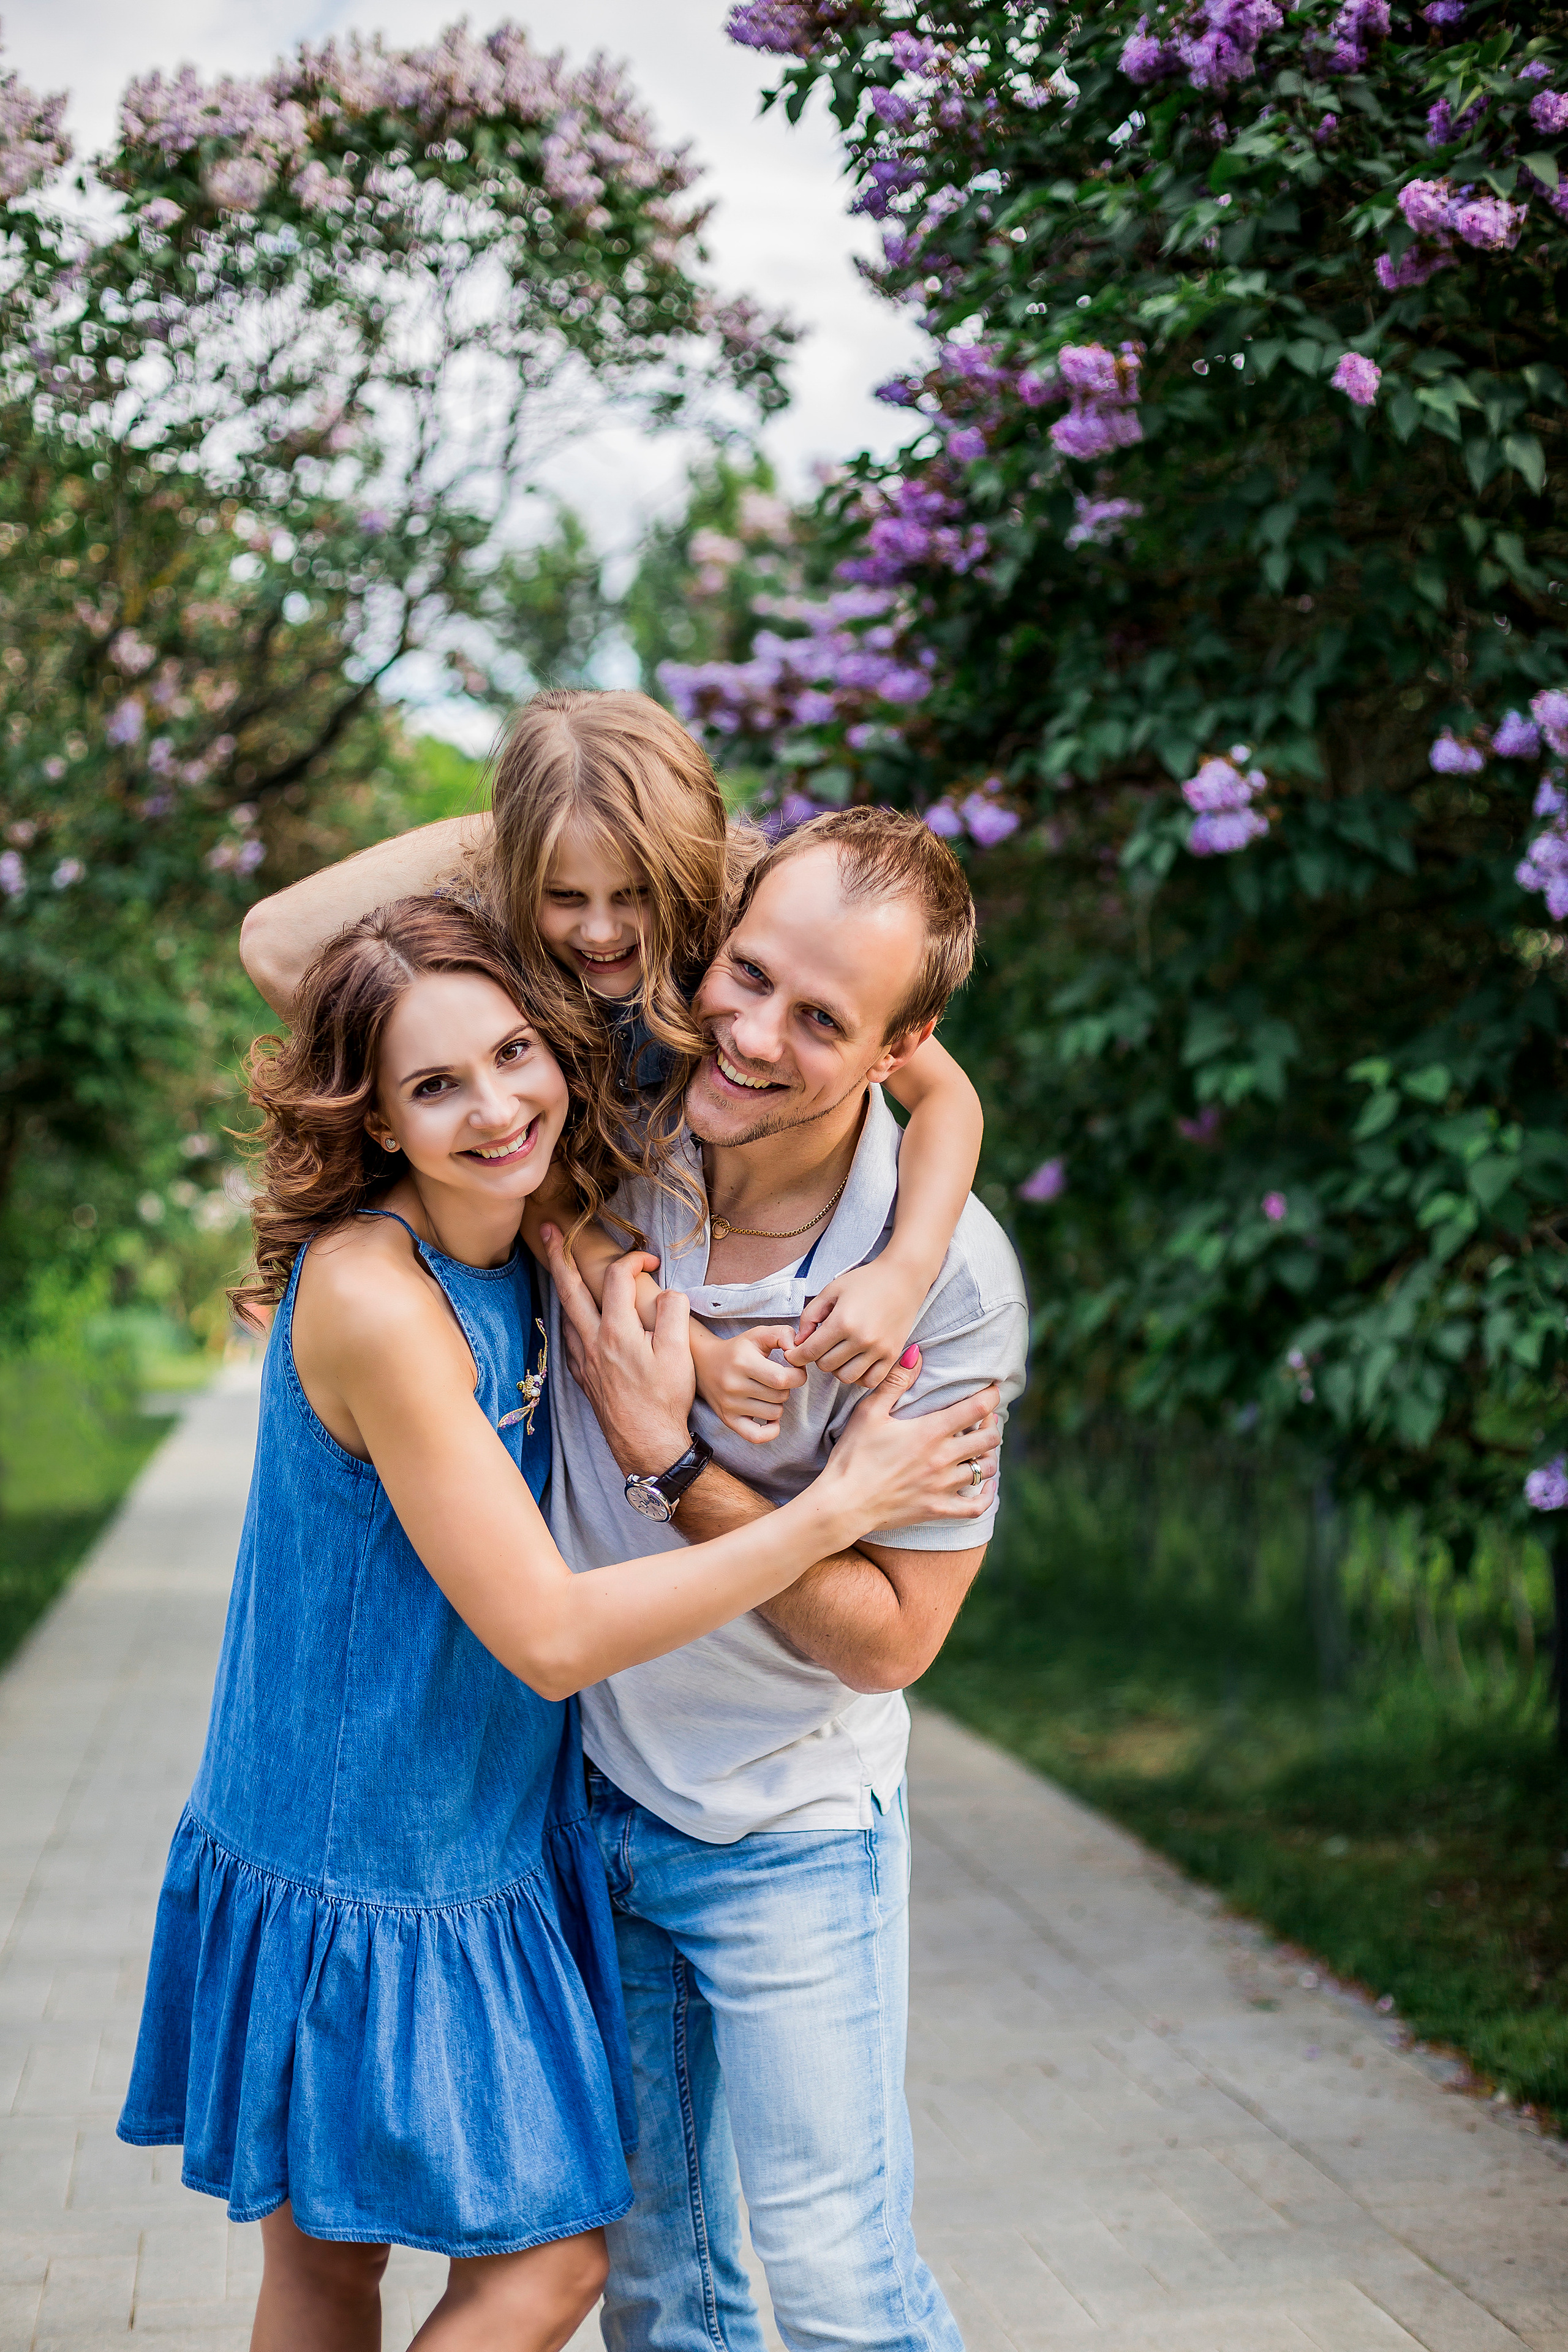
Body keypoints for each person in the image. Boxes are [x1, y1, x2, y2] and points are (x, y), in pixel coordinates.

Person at [118, 895, 1001, 2352]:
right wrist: (830, 1509)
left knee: (412, 2263)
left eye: (515, 1050)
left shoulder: (533, 1226)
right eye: (435, 1084)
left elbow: (928, 1070)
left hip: (482, 1833)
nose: (496, 1103)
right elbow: (547, 1633)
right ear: (379, 1118)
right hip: (353, 1848)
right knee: (532, 2266)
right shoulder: (374, 1296)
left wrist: (869, 1279)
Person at [240, 688, 986, 1433]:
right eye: (565, 893)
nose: (600, 931)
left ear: (685, 871)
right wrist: (543, 802)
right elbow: (275, 953)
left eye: (634, 893)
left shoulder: (741, 941)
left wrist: (906, 1269)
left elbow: (947, 1098)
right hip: (505, 1270)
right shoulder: (503, 955)